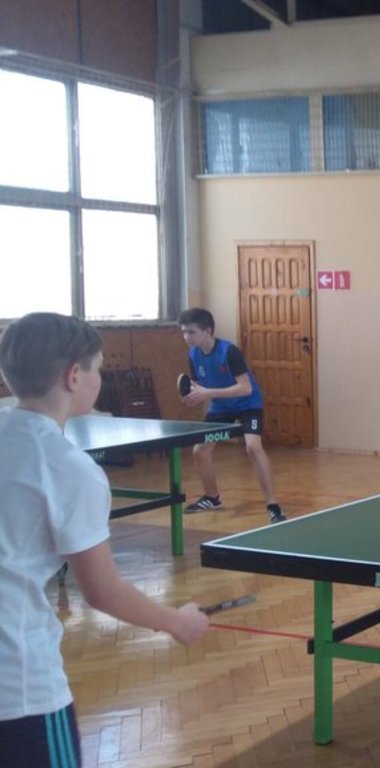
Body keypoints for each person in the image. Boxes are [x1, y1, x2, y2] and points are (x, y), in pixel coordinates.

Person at [0, 312, 210, 766]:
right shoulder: (69, 467)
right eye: (97, 367)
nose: (99, 376)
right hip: (19, 688)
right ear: (74, 376)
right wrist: (176, 621)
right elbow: (102, 591)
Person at [176, 308, 285, 524]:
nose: (187, 337)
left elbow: (245, 388)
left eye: (191, 332)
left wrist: (208, 393)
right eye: (184, 332)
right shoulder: (193, 354)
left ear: (207, 331)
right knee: (200, 450)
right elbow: (199, 384)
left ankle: (273, 505)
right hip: (221, 408)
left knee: (253, 447)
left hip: (248, 405)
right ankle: (212, 497)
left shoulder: (229, 352)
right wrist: (193, 396)